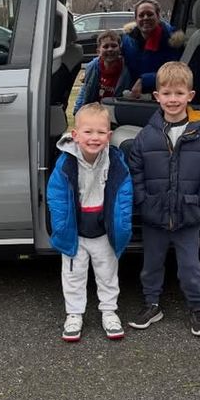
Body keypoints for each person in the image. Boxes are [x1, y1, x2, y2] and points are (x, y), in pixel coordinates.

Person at [127, 61, 200, 337]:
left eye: (179, 93)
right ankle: (151, 303)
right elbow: (136, 168)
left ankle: (196, 306)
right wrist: (143, 201)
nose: (173, 99)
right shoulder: (147, 135)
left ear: (190, 96)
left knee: (190, 266)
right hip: (154, 214)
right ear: (157, 97)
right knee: (151, 264)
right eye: (167, 94)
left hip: (188, 214)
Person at [47, 102, 134, 342]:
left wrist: (122, 225)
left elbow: (124, 195)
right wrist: (61, 227)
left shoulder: (115, 161)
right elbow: (56, 197)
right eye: (88, 132)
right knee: (74, 275)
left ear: (109, 135)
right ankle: (74, 314)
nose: (94, 138)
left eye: (100, 132)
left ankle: (109, 311)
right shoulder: (65, 163)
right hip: (75, 229)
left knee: (107, 273)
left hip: (103, 228)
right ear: (75, 135)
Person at [121, 0, 186, 98]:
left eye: (150, 14)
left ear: (158, 16)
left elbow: (176, 73)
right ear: (136, 19)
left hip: (162, 98)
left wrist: (144, 80)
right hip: (132, 98)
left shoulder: (172, 41)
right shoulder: (127, 40)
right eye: (141, 15)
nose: (145, 18)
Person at [73, 30, 131, 113]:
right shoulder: (92, 67)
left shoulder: (126, 70)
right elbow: (85, 90)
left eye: (114, 46)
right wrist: (77, 111)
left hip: (116, 111)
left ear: (120, 49)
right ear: (98, 51)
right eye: (106, 46)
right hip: (95, 112)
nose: (110, 49)